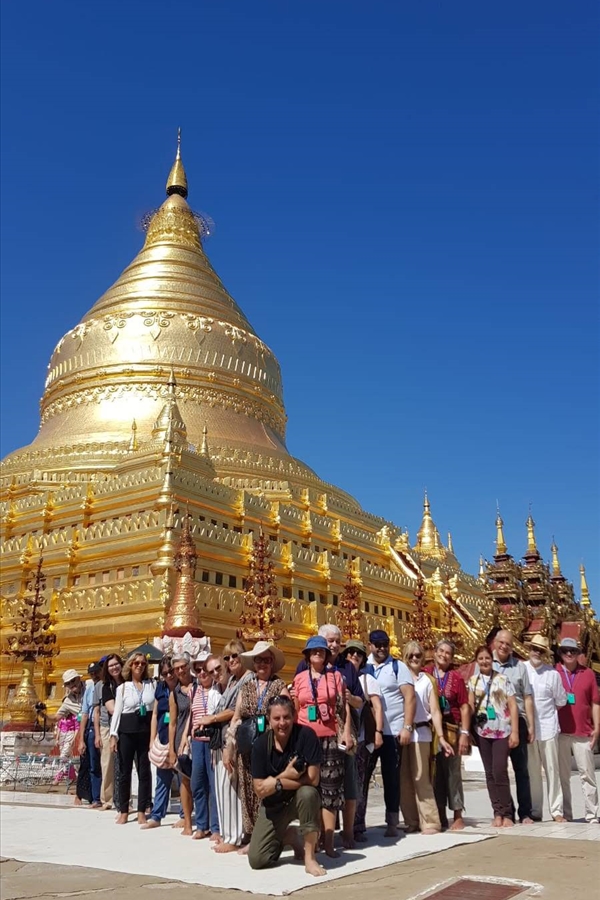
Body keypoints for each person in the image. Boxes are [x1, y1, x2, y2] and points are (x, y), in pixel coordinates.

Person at [295, 624, 364, 847]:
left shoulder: (340, 673)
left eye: (323, 650)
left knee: (334, 787)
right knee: (310, 787)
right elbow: (296, 706)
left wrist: (346, 732)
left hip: (333, 735)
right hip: (307, 736)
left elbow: (347, 707)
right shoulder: (301, 674)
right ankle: (313, 838)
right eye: (315, 650)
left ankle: (336, 837)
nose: (320, 653)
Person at [249, 695, 326, 877]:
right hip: (273, 805)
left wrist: (277, 782)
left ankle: (310, 858)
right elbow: (259, 790)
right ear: (269, 720)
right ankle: (288, 836)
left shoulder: (306, 736)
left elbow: (313, 779)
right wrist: (285, 775)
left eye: (286, 717)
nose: (282, 723)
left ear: (294, 716)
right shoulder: (260, 745)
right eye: (277, 718)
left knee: (308, 793)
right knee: (257, 860)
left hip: (299, 800)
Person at [225, 641, 289, 851]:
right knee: (248, 791)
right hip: (247, 747)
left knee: (267, 791)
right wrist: (229, 747)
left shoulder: (278, 685)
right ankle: (253, 836)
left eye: (266, 660)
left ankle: (269, 836)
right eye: (258, 660)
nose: (262, 664)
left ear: (272, 663)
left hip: (270, 747)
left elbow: (288, 716)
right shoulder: (246, 687)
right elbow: (236, 717)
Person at [363, 629, 416, 837]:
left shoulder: (398, 667)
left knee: (391, 778)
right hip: (369, 732)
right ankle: (358, 823)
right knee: (363, 778)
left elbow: (409, 697)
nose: (381, 648)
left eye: (385, 644)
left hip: (392, 730)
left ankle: (392, 822)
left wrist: (407, 726)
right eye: (377, 645)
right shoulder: (363, 666)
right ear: (370, 645)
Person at [400, 641, 454, 834]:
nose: (414, 658)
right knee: (404, 780)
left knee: (421, 777)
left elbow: (435, 711)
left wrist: (441, 737)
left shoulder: (427, 680)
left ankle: (430, 821)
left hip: (421, 733)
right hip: (402, 732)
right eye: (411, 655)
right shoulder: (400, 679)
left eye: (418, 655)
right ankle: (412, 820)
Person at [206, 640, 253, 853]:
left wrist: (213, 718)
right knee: (222, 787)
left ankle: (234, 836)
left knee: (231, 788)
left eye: (235, 655)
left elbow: (236, 710)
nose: (232, 660)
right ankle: (228, 833)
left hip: (235, 739)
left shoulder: (248, 679)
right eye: (228, 657)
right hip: (222, 739)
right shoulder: (233, 680)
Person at [468, 644, 519, 828]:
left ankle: (507, 812)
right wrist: (466, 729)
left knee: (499, 771)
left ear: (492, 659)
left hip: (501, 730)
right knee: (489, 773)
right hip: (482, 731)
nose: (484, 661)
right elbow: (470, 706)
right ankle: (497, 811)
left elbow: (513, 705)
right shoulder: (473, 681)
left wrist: (515, 731)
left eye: (487, 658)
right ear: (477, 661)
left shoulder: (503, 679)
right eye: (481, 658)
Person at [339, 639, 384, 843]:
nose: (354, 656)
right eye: (350, 652)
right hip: (340, 736)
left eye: (358, 654)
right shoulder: (338, 675)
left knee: (358, 784)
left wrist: (378, 732)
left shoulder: (367, 680)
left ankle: (357, 826)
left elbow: (377, 707)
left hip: (361, 738)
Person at [424, 640, 471, 831]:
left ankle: (458, 813)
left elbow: (464, 706)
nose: (444, 655)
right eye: (441, 651)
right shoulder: (426, 673)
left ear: (452, 658)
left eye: (448, 653)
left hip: (451, 728)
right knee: (435, 772)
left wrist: (464, 733)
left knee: (453, 772)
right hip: (431, 729)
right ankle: (440, 813)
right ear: (435, 652)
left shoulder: (456, 677)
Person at [492, 629, 535, 824]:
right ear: (495, 642)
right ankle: (505, 811)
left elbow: (527, 697)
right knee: (498, 770)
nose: (504, 646)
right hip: (495, 723)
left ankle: (525, 812)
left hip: (518, 721)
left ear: (512, 647)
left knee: (521, 769)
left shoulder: (520, 667)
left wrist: (531, 725)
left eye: (508, 644)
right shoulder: (485, 663)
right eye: (501, 642)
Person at [556, 637, 600, 823]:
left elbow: (595, 702)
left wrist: (597, 727)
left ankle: (592, 814)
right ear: (560, 653)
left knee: (587, 775)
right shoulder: (554, 672)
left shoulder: (588, 673)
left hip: (583, 732)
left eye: (573, 651)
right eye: (565, 650)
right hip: (561, 732)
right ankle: (566, 813)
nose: (569, 654)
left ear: (578, 654)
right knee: (563, 776)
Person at [524, 634, 567, 822]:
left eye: (540, 650)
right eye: (534, 649)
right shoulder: (522, 670)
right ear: (529, 649)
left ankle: (556, 810)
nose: (537, 653)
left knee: (552, 770)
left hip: (548, 727)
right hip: (528, 729)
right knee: (532, 771)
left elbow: (561, 701)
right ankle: (535, 810)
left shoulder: (552, 674)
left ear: (545, 654)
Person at [109, 652, 156, 825]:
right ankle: (124, 810)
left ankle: (142, 809)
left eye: (143, 663)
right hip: (127, 731)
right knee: (124, 772)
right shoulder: (123, 688)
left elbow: (155, 709)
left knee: (144, 772)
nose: (139, 666)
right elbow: (117, 712)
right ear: (130, 665)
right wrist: (113, 735)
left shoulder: (151, 685)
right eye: (136, 663)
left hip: (144, 731)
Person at [141, 656, 178, 829]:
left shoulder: (182, 688)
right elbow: (155, 714)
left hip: (179, 737)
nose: (169, 675)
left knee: (183, 778)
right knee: (162, 778)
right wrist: (152, 739)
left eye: (171, 671)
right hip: (163, 737)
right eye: (165, 673)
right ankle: (157, 815)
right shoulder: (160, 688)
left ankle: (185, 815)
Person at [189, 656, 221, 840]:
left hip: (213, 742)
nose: (202, 673)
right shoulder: (194, 691)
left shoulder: (218, 689)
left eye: (204, 669)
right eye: (198, 670)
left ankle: (216, 827)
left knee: (214, 784)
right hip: (197, 742)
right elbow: (191, 716)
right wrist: (186, 738)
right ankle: (202, 825)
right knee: (197, 783)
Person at [168, 651, 195, 836]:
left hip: (199, 736)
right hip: (181, 740)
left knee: (200, 779)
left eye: (183, 666)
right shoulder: (175, 693)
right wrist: (171, 748)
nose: (180, 671)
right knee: (185, 780)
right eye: (176, 668)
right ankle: (187, 820)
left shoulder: (201, 684)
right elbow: (172, 722)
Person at [94, 654, 124, 811]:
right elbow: (110, 709)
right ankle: (107, 799)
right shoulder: (106, 686)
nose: (114, 668)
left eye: (116, 664)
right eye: (110, 666)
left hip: (128, 727)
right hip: (109, 727)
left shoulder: (128, 682)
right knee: (107, 763)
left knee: (125, 764)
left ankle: (124, 798)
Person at [55, 669, 88, 804]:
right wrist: (43, 714)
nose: (72, 684)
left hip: (99, 726)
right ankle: (82, 794)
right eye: (68, 683)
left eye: (73, 680)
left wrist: (75, 739)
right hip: (85, 732)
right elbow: (56, 718)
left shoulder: (90, 686)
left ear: (79, 679)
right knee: (85, 763)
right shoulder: (68, 701)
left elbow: (75, 728)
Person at [76, 662, 103, 809]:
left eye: (96, 672)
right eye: (91, 673)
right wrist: (81, 739)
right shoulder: (89, 689)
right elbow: (85, 714)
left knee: (106, 764)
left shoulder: (106, 686)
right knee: (93, 764)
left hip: (105, 726)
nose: (94, 675)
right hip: (91, 728)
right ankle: (95, 797)